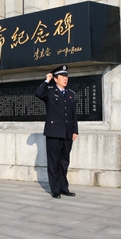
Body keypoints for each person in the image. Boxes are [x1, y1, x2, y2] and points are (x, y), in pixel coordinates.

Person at [35, 65, 78, 199]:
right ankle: (55, 190)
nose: (65, 79)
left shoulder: (70, 93)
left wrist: (75, 131)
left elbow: (73, 115)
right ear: (55, 79)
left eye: (66, 76)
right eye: (62, 77)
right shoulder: (49, 91)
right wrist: (46, 80)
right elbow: (38, 93)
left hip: (67, 133)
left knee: (64, 162)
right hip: (54, 133)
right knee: (54, 162)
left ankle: (64, 188)